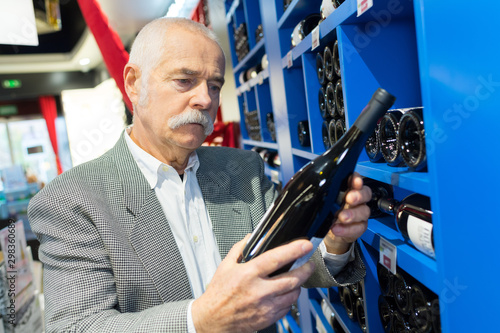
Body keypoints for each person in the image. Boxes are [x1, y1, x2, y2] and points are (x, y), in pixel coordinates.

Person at [28, 17, 371, 332]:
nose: (205, 99)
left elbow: (285, 261)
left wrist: (336, 243)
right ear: (133, 84)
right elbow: (75, 326)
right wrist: (200, 320)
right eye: (185, 81)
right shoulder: (70, 200)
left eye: (215, 85)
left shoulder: (243, 170)